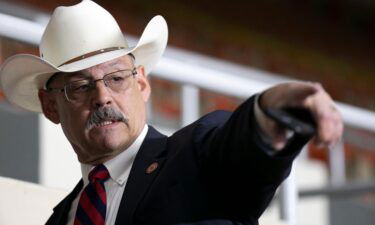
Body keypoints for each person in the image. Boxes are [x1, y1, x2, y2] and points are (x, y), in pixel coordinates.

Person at [0, 1, 343, 225]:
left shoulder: (192, 159)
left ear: (143, 84)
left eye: (117, 78)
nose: (103, 97)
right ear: (50, 107)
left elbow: (238, 149)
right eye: (80, 87)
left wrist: (271, 110)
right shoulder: (61, 218)